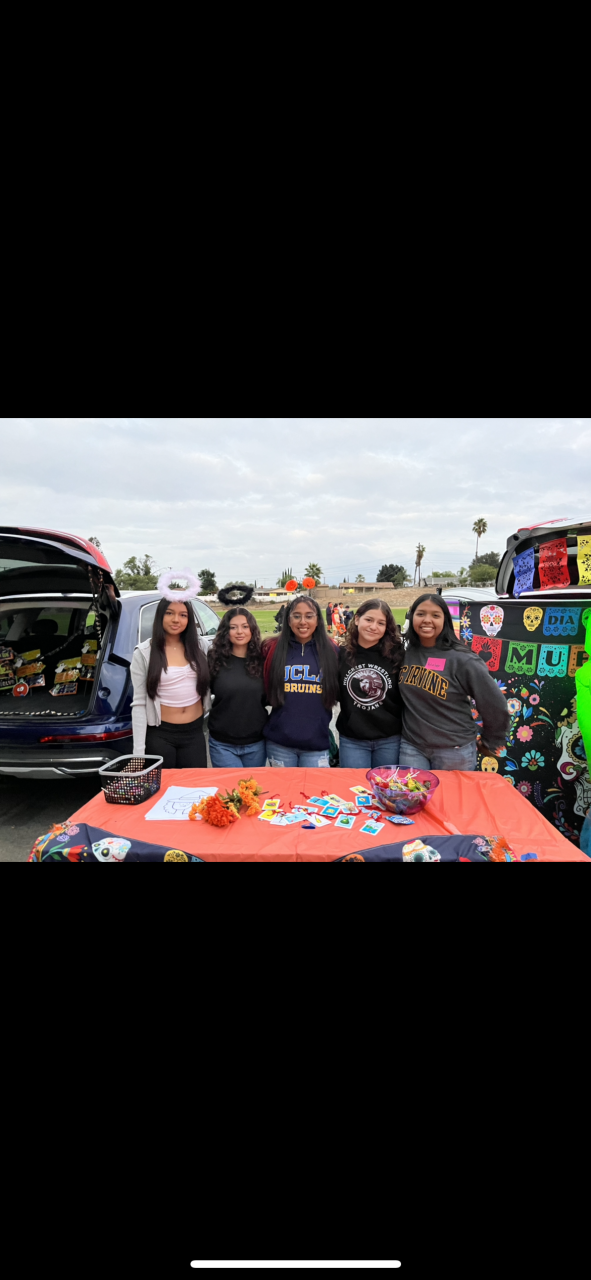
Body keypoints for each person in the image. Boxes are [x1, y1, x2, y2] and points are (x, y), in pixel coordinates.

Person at [398, 594, 509, 771]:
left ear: (445, 620)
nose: (427, 620)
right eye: (420, 614)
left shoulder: (463, 659)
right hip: (412, 747)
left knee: (452, 791)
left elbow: (494, 703)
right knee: (412, 790)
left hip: (454, 750)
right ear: (412, 617)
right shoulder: (406, 653)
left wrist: (492, 740)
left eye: (435, 615)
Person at [131, 570, 211, 768]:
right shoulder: (144, 653)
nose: (176, 619)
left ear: (189, 619)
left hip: (194, 733)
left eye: (183, 615)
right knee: (164, 786)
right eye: (170, 613)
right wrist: (138, 753)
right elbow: (139, 704)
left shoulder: (201, 647)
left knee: (194, 786)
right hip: (160, 735)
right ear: (160, 615)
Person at [262, 595, 339, 766]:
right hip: (280, 744)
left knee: (315, 785)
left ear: (318, 620)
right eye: (297, 616)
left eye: (309, 616)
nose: (303, 622)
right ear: (288, 620)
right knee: (282, 786)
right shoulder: (272, 648)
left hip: (316, 745)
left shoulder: (332, 651)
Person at [337, 599, 404, 768]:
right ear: (357, 619)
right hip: (353, 740)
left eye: (381, 623)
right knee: (353, 784)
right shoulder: (341, 655)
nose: (374, 627)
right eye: (369, 620)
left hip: (390, 740)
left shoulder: (398, 656)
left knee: (387, 785)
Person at [207, 606, 268, 767]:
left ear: (252, 630)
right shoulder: (214, 659)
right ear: (226, 631)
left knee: (253, 785)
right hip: (222, 744)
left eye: (245, 626)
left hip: (256, 743)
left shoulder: (263, 660)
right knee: (232, 785)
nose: (239, 632)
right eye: (233, 627)